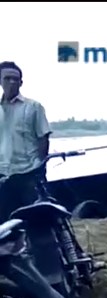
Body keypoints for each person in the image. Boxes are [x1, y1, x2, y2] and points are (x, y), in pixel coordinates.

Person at [0, 61, 51, 221]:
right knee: (7, 225)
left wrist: (39, 168)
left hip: (29, 174)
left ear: (21, 82)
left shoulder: (34, 107)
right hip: (3, 176)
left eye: (16, 79)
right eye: (7, 78)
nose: (12, 82)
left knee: (39, 222)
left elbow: (43, 139)